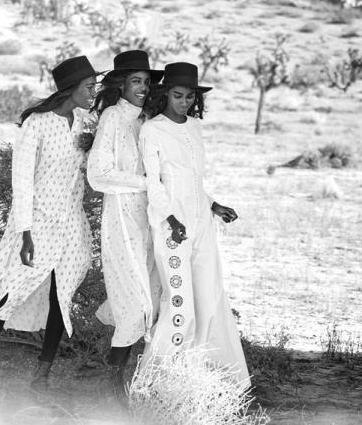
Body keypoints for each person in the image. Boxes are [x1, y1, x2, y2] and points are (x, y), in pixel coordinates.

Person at [0, 55, 98, 393]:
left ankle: (42, 376)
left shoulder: (85, 122)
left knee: (61, 295)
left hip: (71, 225)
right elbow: (21, 182)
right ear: (71, 88)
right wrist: (24, 234)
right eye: (88, 86)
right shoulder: (36, 124)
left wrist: (93, 145)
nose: (93, 92)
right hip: (36, 224)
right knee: (8, 289)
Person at [138, 62, 250, 387]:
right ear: (165, 94)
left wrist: (215, 205)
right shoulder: (152, 129)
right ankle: (154, 383)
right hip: (171, 224)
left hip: (201, 221)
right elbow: (155, 183)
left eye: (189, 96)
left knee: (209, 298)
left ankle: (204, 379)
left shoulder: (195, 128)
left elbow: (194, 181)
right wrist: (171, 219)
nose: (184, 102)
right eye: (177, 95)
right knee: (179, 305)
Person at [87, 50, 163, 400]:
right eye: (136, 81)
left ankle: (124, 375)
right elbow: (98, 175)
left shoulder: (147, 120)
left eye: (147, 82)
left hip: (148, 221)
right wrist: (146, 183)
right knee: (136, 303)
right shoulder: (113, 119)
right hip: (121, 221)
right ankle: (113, 382)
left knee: (152, 297)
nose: (143, 88)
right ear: (121, 84)